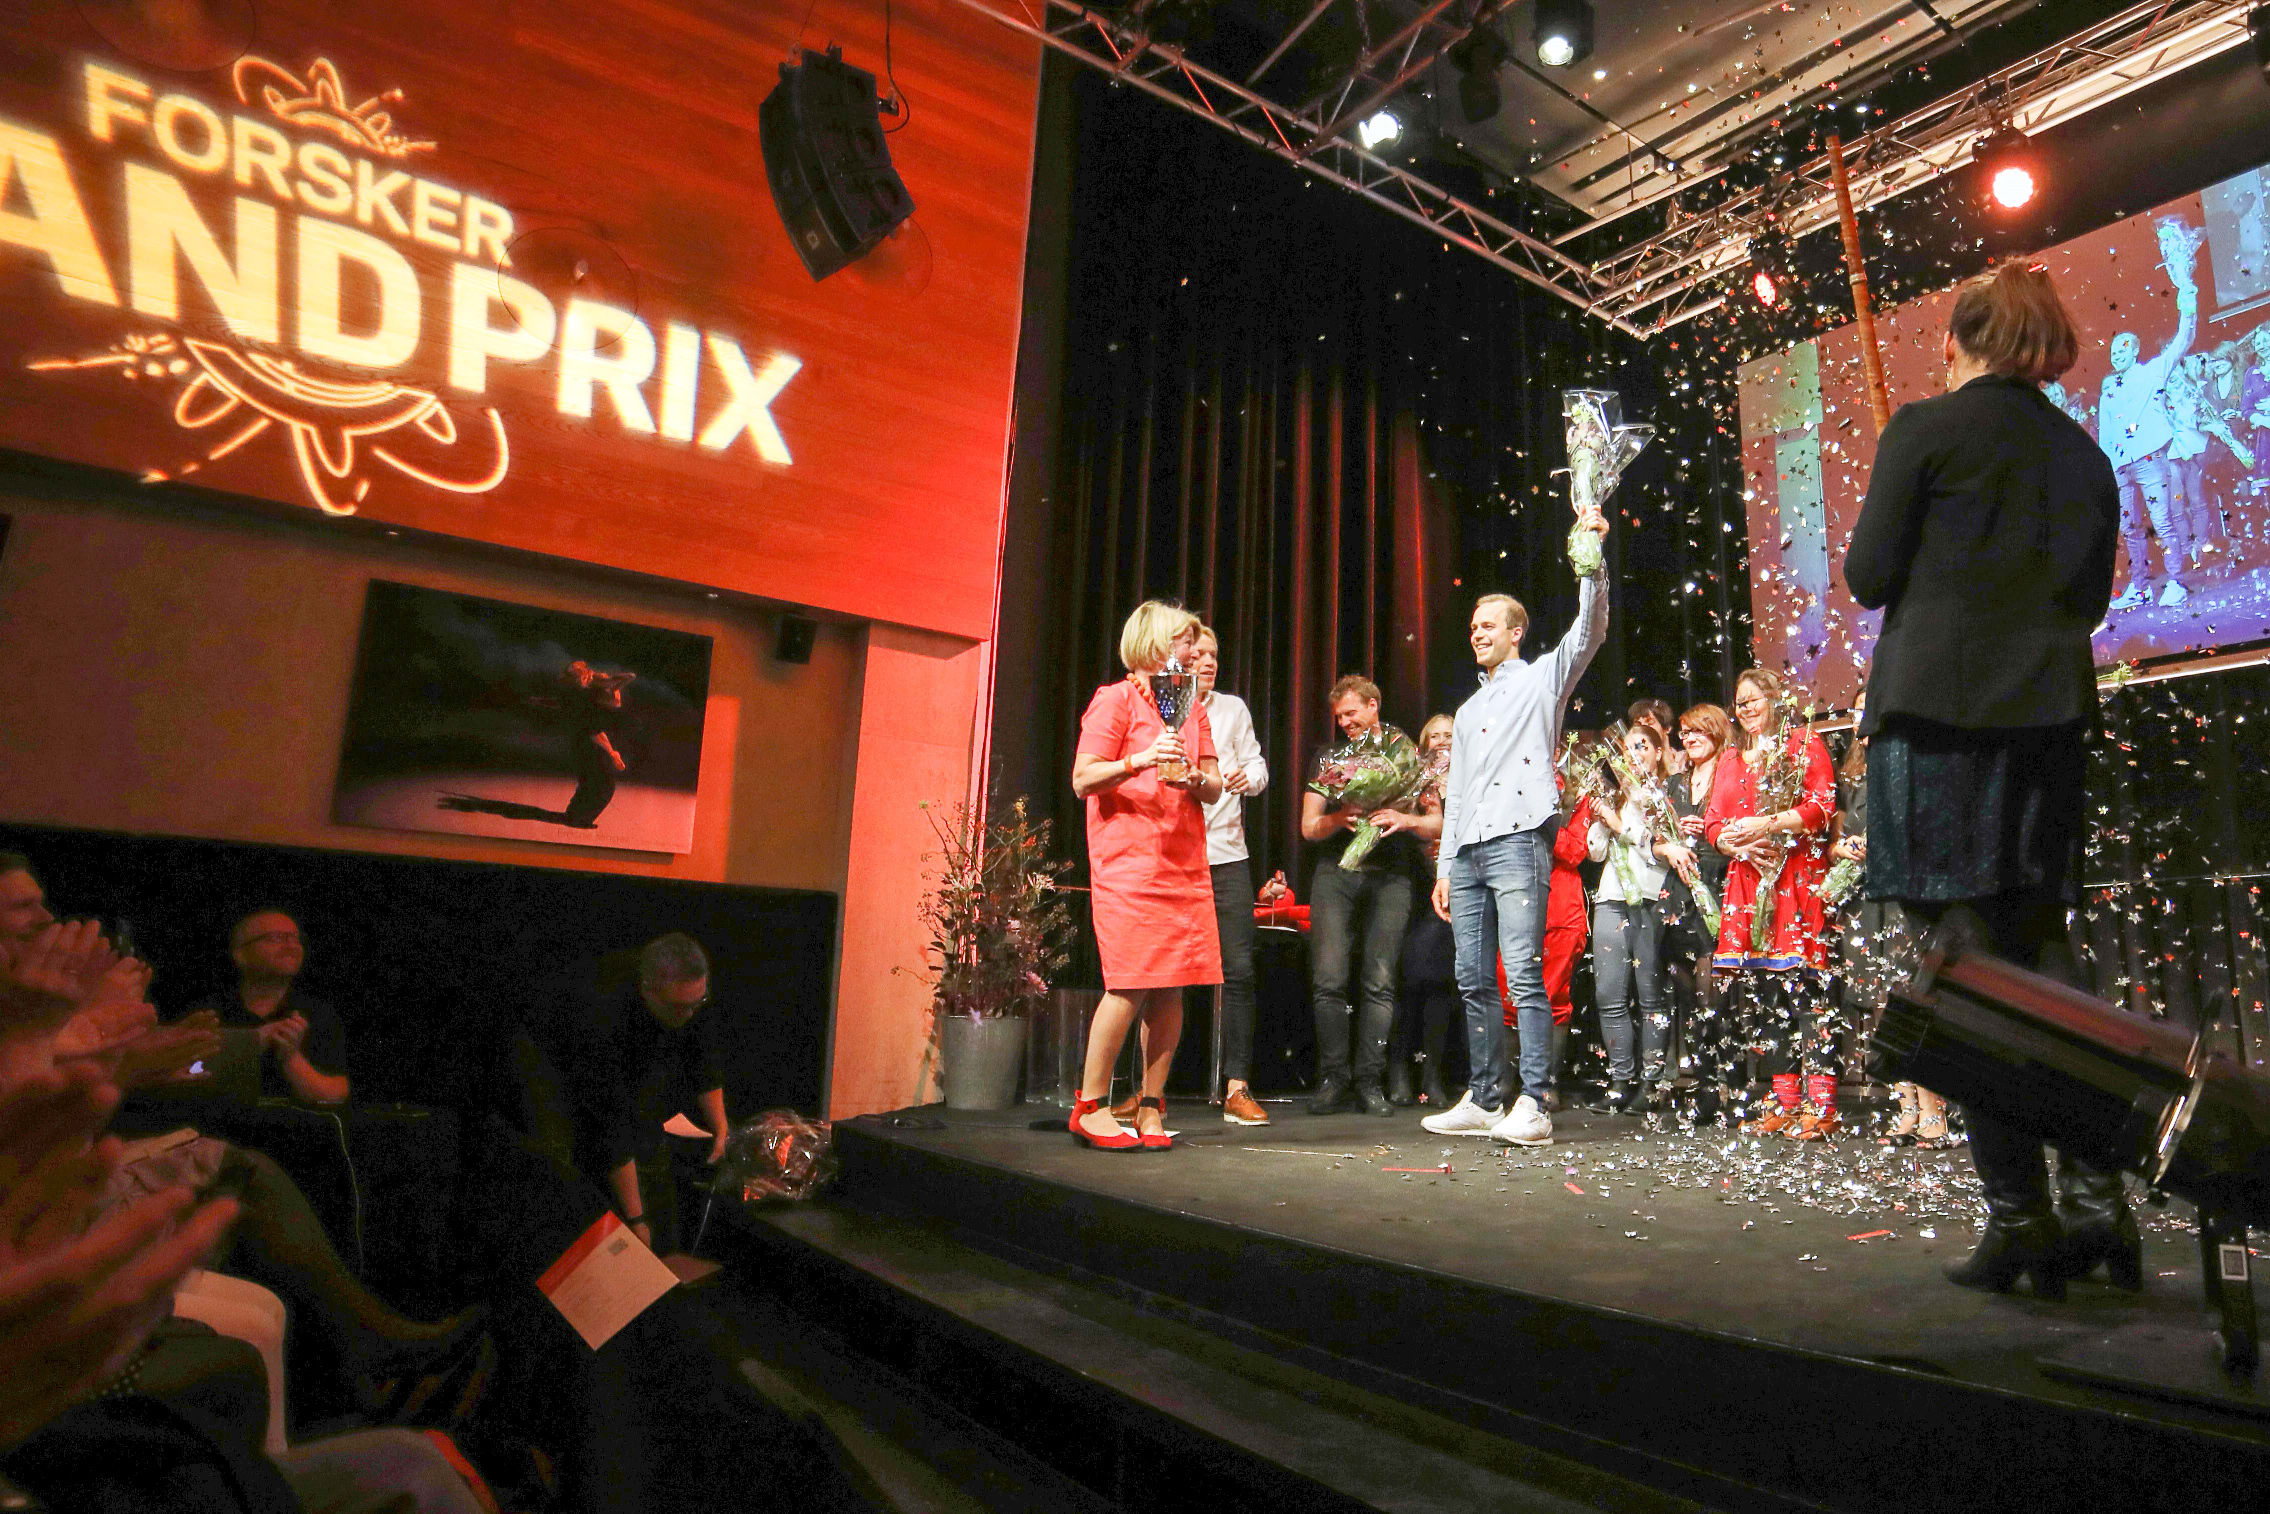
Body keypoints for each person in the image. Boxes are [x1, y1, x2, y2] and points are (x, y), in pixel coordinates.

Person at [1845, 257, 2133, 1300]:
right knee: (2045, 959)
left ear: (1958, 340)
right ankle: (2097, 1201)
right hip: (2046, 725)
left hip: (1937, 726)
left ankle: (2020, 1218)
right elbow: (2088, 601)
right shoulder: (2084, 455)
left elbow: (1867, 576)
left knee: (1964, 973)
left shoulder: (1923, 430)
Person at [1426, 500, 1610, 1148]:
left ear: (1515, 633)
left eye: (1488, 626)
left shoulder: (1541, 682)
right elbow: (1456, 792)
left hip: (1518, 842)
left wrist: (1592, 561)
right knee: (1472, 978)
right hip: (1469, 853)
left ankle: (1533, 1101)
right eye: (1473, 627)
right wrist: (1445, 866)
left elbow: (1590, 631)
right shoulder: (1468, 709)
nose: (1477, 633)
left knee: (1524, 975)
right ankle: (1484, 1098)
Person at [1068, 601, 1223, 1152]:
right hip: (1130, 864)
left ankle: (1152, 1104)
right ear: (1155, 643)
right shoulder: (1115, 699)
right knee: (1130, 982)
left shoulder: (1191, 707)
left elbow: (1215, 786)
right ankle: (1090, 1105)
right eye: (1185, 641)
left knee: (1172, 984)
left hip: (1182, 860)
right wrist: (1140, 759)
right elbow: (1083, 779)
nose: (1195, 652)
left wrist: (1194, 778)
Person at [521, 933, 731, 1253]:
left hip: (618, 1045)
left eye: (696, 1005)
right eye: (680, 1008)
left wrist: (721, 1127)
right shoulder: (600, 1015)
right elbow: (612, 1125)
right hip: (544, 1054)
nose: (689, 1015)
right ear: (648, 990)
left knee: (647, 1138)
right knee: (562, 1157)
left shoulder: (689, 994)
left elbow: (705, 1057)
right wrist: (637, 1220)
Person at [1701, 669, 1836, 1135]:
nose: (1746, 709)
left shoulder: (1802, 743)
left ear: (1776, 699)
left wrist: (1770, 824)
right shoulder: (1731, 758)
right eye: (1739, 703)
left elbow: (1822, 806)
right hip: (1748, 884)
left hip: (1796, 880)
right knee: (1767, 994)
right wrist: (1733, 845)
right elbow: (1713, 822)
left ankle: (1822, 1107)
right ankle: (1786, 1102)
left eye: (1753, 699)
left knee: (1808, 992)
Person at [1300, 676, 1436, 1117]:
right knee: (1329, 980)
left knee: (1380, 981)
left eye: (1352, 712)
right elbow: (1308, 826)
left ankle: (1369, 1082)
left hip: (1391, 875)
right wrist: (1339, 817)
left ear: (1374, 705)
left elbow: (1437, 823)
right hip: (1335, 874)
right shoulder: (1328, 757)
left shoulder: (1405, 754)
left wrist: (1404, 818)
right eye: (1339, 716)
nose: (1345, 722)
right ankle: (1333, 1079)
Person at [1189, 626, 1271, 1126]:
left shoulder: (1232, 709)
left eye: (1214, 654)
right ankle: (1147, 1089)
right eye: (1199, 654)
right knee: (1162, 974)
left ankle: (1237, 1086)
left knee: (1239, 970)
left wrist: (1248, 778)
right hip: (1176, 857)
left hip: (1227, 856)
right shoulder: (1163, 709)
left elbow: (1258, 767)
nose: (1209, 662)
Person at [2097, 224, 2202, 609]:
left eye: (2123, 349)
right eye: (2113, 350)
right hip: (2120, 467)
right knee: (2129, 528)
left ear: (2135, 350)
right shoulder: (2107, 385)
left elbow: (2182, 341)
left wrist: (2187, 305)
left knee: (2163, 521)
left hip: (2150, 461)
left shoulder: (2152, 371)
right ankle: (2140, 586)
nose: (2117, 354)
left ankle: (2175, 581)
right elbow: (2105, 429)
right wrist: (2106, 463)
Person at [1586, 723, 1676, 1115]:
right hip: (1611, 896)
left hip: (1650, 897)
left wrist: (1618, 823)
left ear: (1658, 752)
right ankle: (1620, 1080)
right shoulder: (1618, 796)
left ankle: (1652, 1083)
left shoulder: (1664, 794)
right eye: (1627, 749)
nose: (1634, 754)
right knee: (1609, 995)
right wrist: (1601, 818)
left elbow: (1654, 848)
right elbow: (1595, 852)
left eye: (1642, 746)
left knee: (1651, 995)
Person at [184, 911, 350, 1105]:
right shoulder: (208, 1012)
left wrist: (290, 1056)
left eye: (295, 939)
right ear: (240, 954)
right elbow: (187, 1075)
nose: (291, 946)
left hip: (293, 1122)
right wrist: (248, 1044)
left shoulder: (318, 1013)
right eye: (276, 938)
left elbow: (335, 1094)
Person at [1389, 716, 1459, 1107]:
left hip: (1452, 887)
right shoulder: (1413, 782)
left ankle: (1433, 1075)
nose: (1443, 741)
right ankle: (1398, 1069)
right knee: (1407, 979)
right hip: (1412, 883)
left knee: (1440, 981)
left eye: (1450, 735)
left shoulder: (1469, 780)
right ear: (1423, 743)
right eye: (1435, 735)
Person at [560, 659, 635, 829]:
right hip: (586, 742)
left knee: (591, 781)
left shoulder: (590, 700)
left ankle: (574, 815)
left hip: (583, 741)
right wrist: (609, 683)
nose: (617, 701)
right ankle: (579, 817)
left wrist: (613, 753)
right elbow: (629, 676)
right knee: (602, 784)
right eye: (615, 696)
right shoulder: (594, 693)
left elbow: (598, 732)